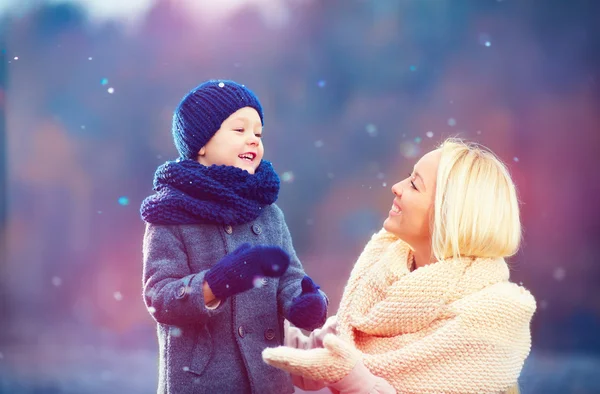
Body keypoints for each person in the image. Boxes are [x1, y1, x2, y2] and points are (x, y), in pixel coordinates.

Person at [263, 138, 536, 394]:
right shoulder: (380, 285)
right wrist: (247, 311)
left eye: (415, 185)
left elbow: (341, 365)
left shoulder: (488, 320)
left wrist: (354, 377)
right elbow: (316, 355)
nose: (397, 186)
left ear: (449, 214)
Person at [140, 80, 328, 393]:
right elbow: (159, 298)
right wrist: (215, 283)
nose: (253, 140)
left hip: (268, 377)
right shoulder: (170, 212)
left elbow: (290, 277)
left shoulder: (267, 211)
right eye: (239, 130)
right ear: (201, 143)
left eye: (258, 133)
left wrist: (304, 301)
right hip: (202, 381)